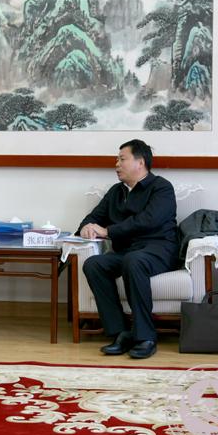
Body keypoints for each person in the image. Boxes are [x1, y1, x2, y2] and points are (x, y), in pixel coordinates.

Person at [77, 139, 179, 360]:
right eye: (117, 160)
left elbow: (148, 221)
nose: (116, 164)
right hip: (127, 252)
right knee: (94, 264)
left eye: (122, 159)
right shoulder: (116, 192)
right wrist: (87, 228)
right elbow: (92, 218)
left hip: (159, 249)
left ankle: (146, 337)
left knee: (134, 260)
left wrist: (107, 231)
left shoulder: (161, 187)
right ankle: (120, 332)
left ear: (140, 162)